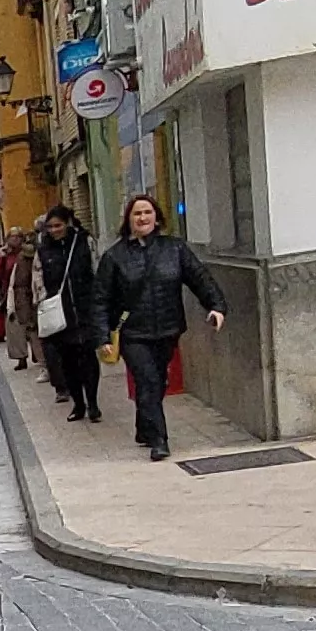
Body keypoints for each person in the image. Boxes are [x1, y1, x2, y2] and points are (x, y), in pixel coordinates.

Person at [95, 194, 226, 464]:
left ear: (157, 218)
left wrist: (216, 305)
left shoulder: (175, 249)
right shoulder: (114, 257)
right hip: (133, 333)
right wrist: (101, 336)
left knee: (157, 381)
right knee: (148, 381)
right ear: (128, 220)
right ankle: (159, 440)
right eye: (137, 214)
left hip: (168, 328)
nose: (142, 218)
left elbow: (199, 277)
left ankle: (144, 428)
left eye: (147, 213)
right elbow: (99, 300)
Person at [30, 206, 104, 423]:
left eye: (58, 225)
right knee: (68, 363)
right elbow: (38, 281)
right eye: (50, 227)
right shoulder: (43, 250)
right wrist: (43, 304)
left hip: (85, 310)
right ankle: (78, 404)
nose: (54, 230)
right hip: (58, 315)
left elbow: (96, 270)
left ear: (68, 223)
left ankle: (93, 403)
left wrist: (99, 303)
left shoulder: (83, 242)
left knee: (89, 358)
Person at [2, 231, 42, 373]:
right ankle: (22, 357)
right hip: (15, 293)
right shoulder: (6, 255)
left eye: (18, 236)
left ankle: (40, 358)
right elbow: (2, 274)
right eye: (12, 237)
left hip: (28, 293)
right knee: (17, 328)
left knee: (33, 327)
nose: (15, 239)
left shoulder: (29, 253)